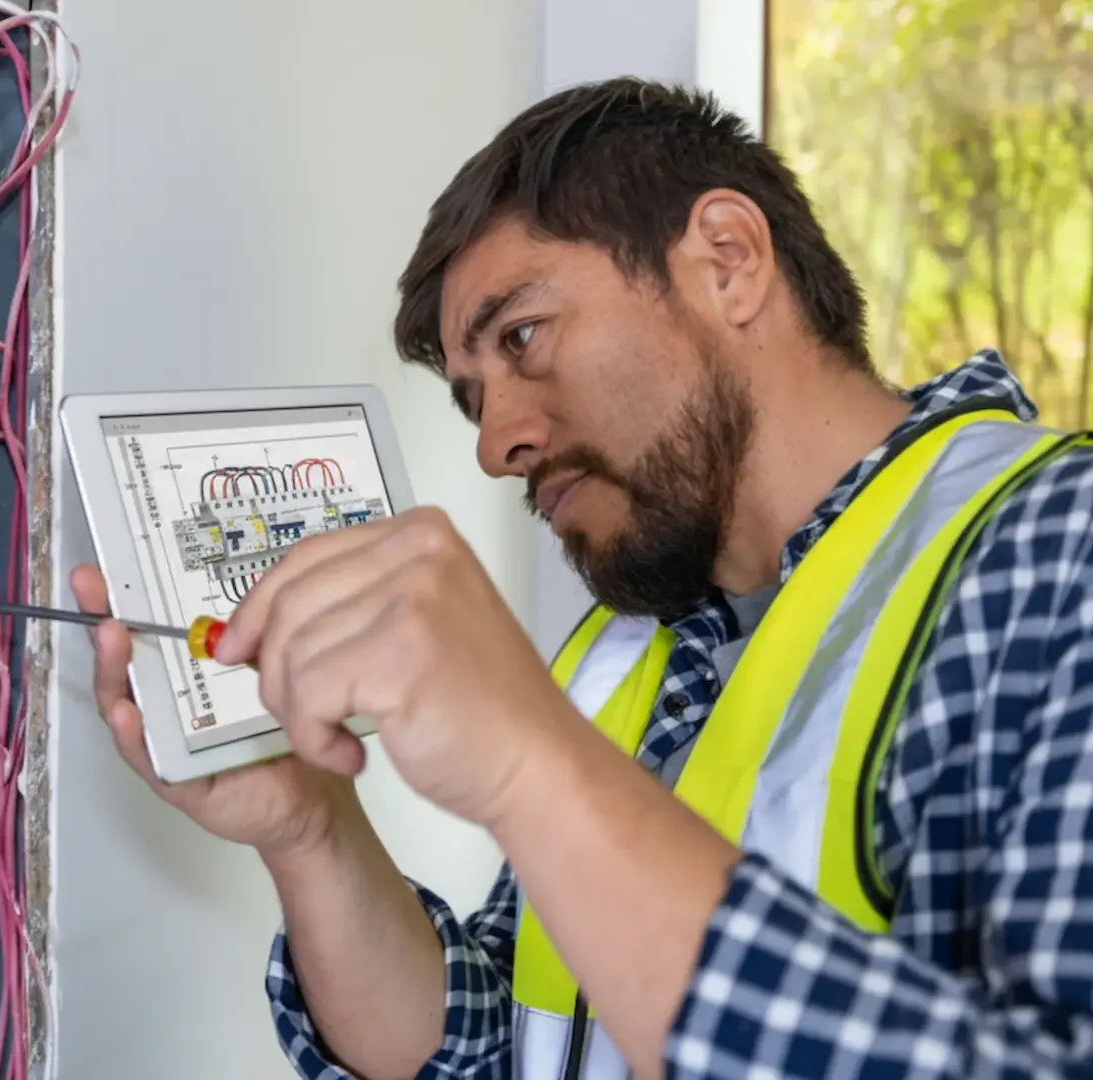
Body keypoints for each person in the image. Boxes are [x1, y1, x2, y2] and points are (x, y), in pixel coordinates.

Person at [70, 76, 1093, 1080]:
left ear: (728, 261)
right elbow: (490, 1049)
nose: (497, 446)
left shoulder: (1060, 550)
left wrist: (533, 768)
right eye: (475, 401)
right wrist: (309, 829)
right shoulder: (625, 656)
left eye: (524, 337)